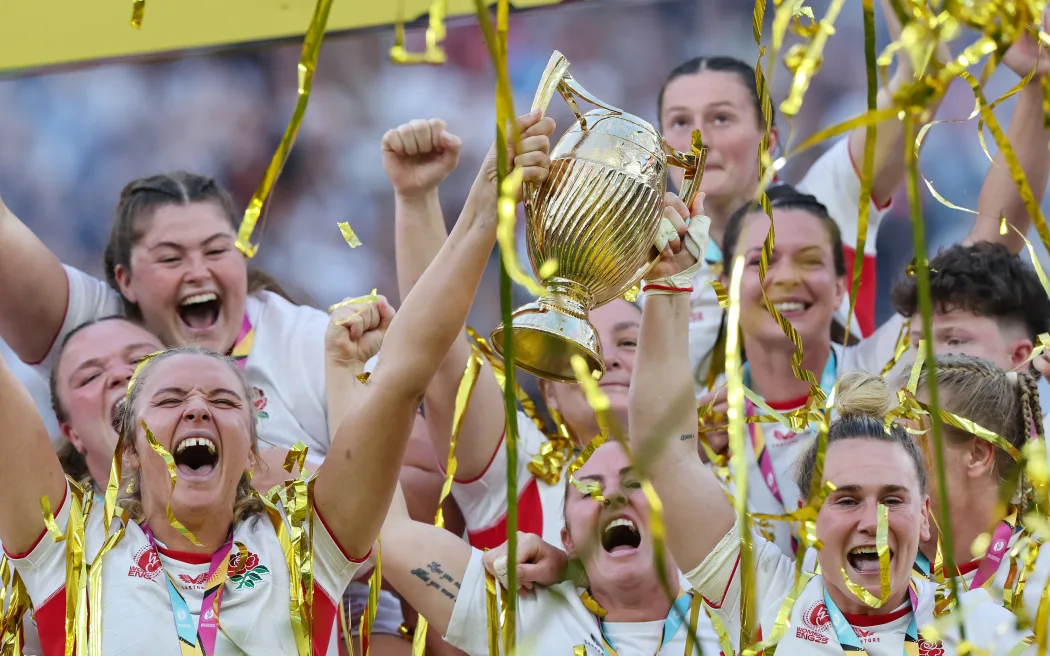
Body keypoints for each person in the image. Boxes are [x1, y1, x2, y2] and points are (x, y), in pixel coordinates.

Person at [0, 111, 553, 654]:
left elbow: (410, 368)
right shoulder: (66, 554)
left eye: (222, 399)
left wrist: (481, 209)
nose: (198, 410)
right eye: (169, 399)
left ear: (253, 446)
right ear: (127, 446)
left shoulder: (309, 545)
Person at [627, 242, 1029, 653]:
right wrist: (668, 284)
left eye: (892, 498)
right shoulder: (767, 596)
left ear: (924, 516)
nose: (872, 522)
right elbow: (664, 457)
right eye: (846, 499)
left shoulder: (988, 631)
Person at [385, 115, 642, 551]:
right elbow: (439, 349)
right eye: (587, 348)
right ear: (550, 389)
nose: (611, 359)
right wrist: (417, 198)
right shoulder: (516, 479)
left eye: (631, 342)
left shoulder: (727, 483)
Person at [378, 440, 721, 656]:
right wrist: (351, 369)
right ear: (568, 542)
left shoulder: (741, 608)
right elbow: (388, 533)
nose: (614, 496)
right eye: (589, 491)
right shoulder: (526, 613)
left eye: (634, 483)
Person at [903, 354, 1050, 629]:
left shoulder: (1042, 579)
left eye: (908, 441)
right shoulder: (868, 570)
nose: (887, 459)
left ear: (978, 454)